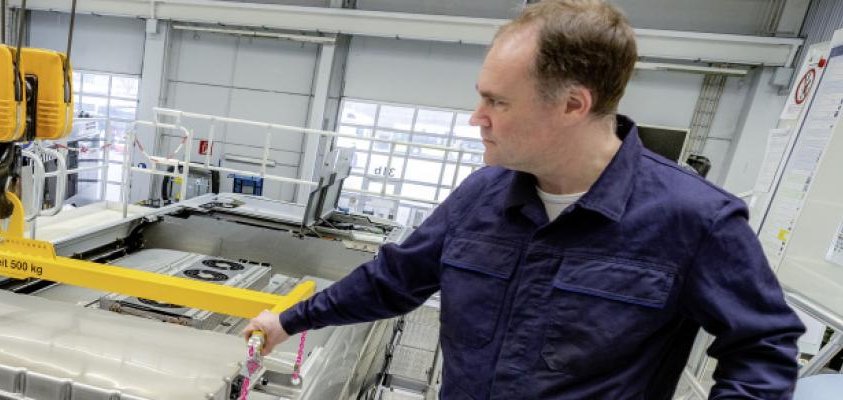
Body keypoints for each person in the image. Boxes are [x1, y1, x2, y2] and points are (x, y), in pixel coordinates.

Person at [243, 0, 805, 398]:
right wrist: (289, 321)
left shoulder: (695, 219)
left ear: (572, 105)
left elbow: (764, 346)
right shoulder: (482, 196)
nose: (476, 118)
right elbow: (395, 279)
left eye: (498, 103)